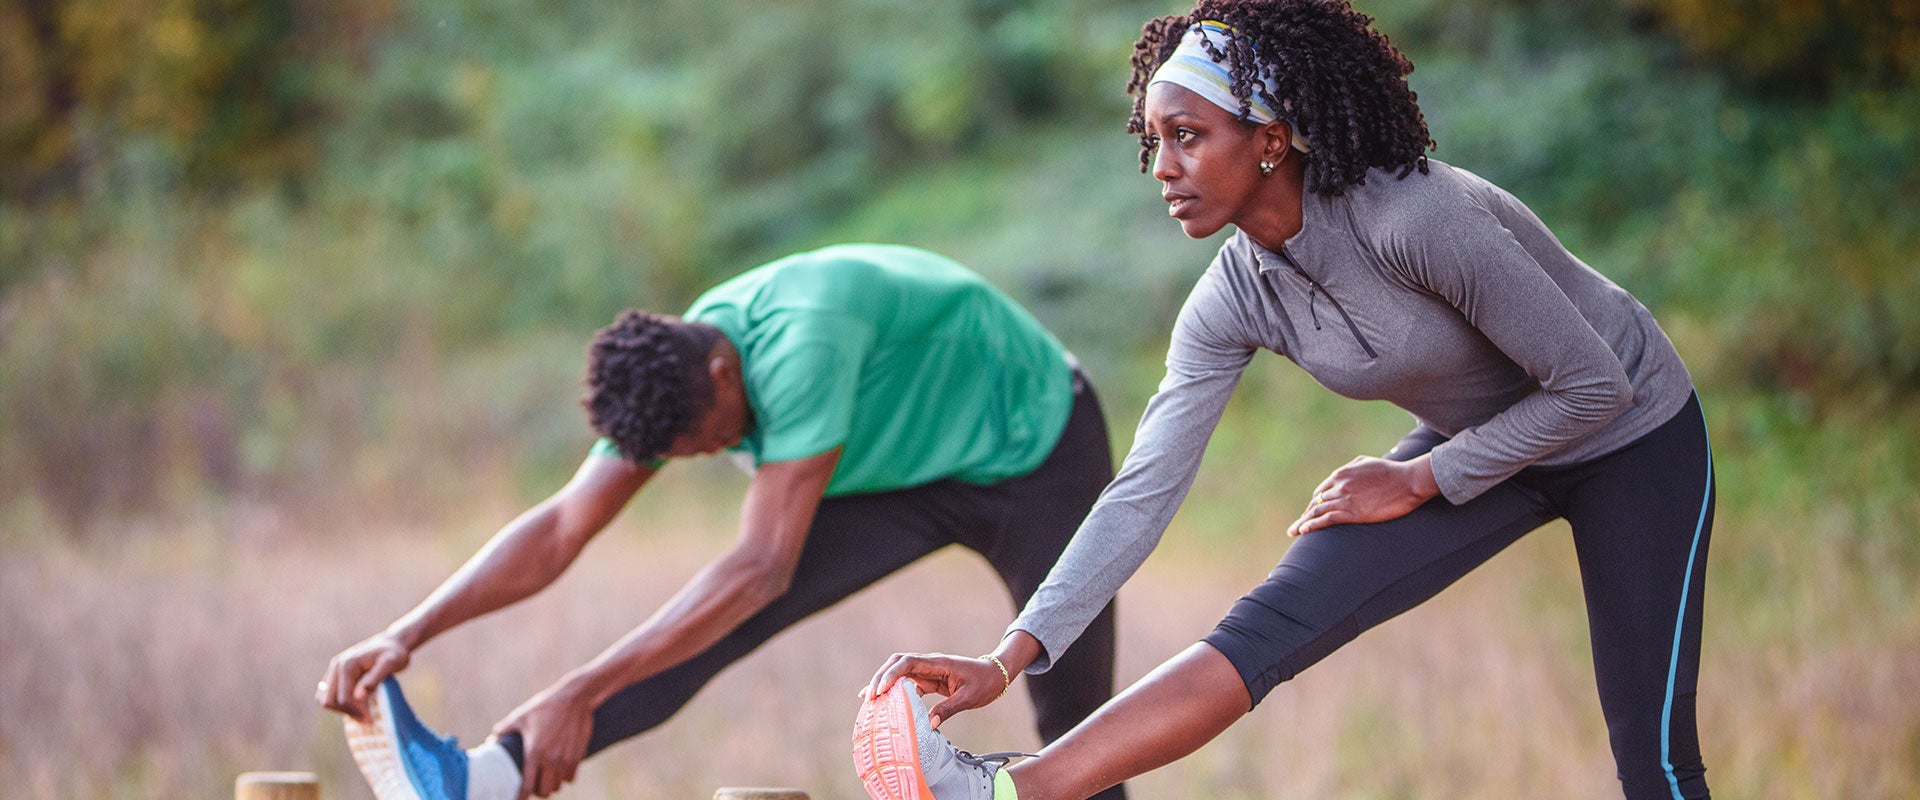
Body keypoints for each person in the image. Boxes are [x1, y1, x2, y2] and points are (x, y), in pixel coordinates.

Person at [858, 2, 1715, 799]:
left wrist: (1421, 479)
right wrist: (1007, 659)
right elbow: (1143, 490)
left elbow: (1594, 383)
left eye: (1187, 137)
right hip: (1480, 442)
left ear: (1270, 139)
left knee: (1650, 752)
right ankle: (1011, 791)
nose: (1162, 169)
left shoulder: (1415, 215)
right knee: (1268, 624)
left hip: (1629, 434)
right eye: (1152, 143)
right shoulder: (1233, 294)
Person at [317, 243, 1129, 800]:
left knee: (1075, 711)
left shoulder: (803, 341)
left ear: (723, 371)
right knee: (713, 624)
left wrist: (581, 686)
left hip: (1038, 451)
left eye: (710, 440)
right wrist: (411, 632)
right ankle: (485, 781)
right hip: (905, 477)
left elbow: (761, 567)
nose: (712, 453)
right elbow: (564, 525)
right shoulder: (670, 373)